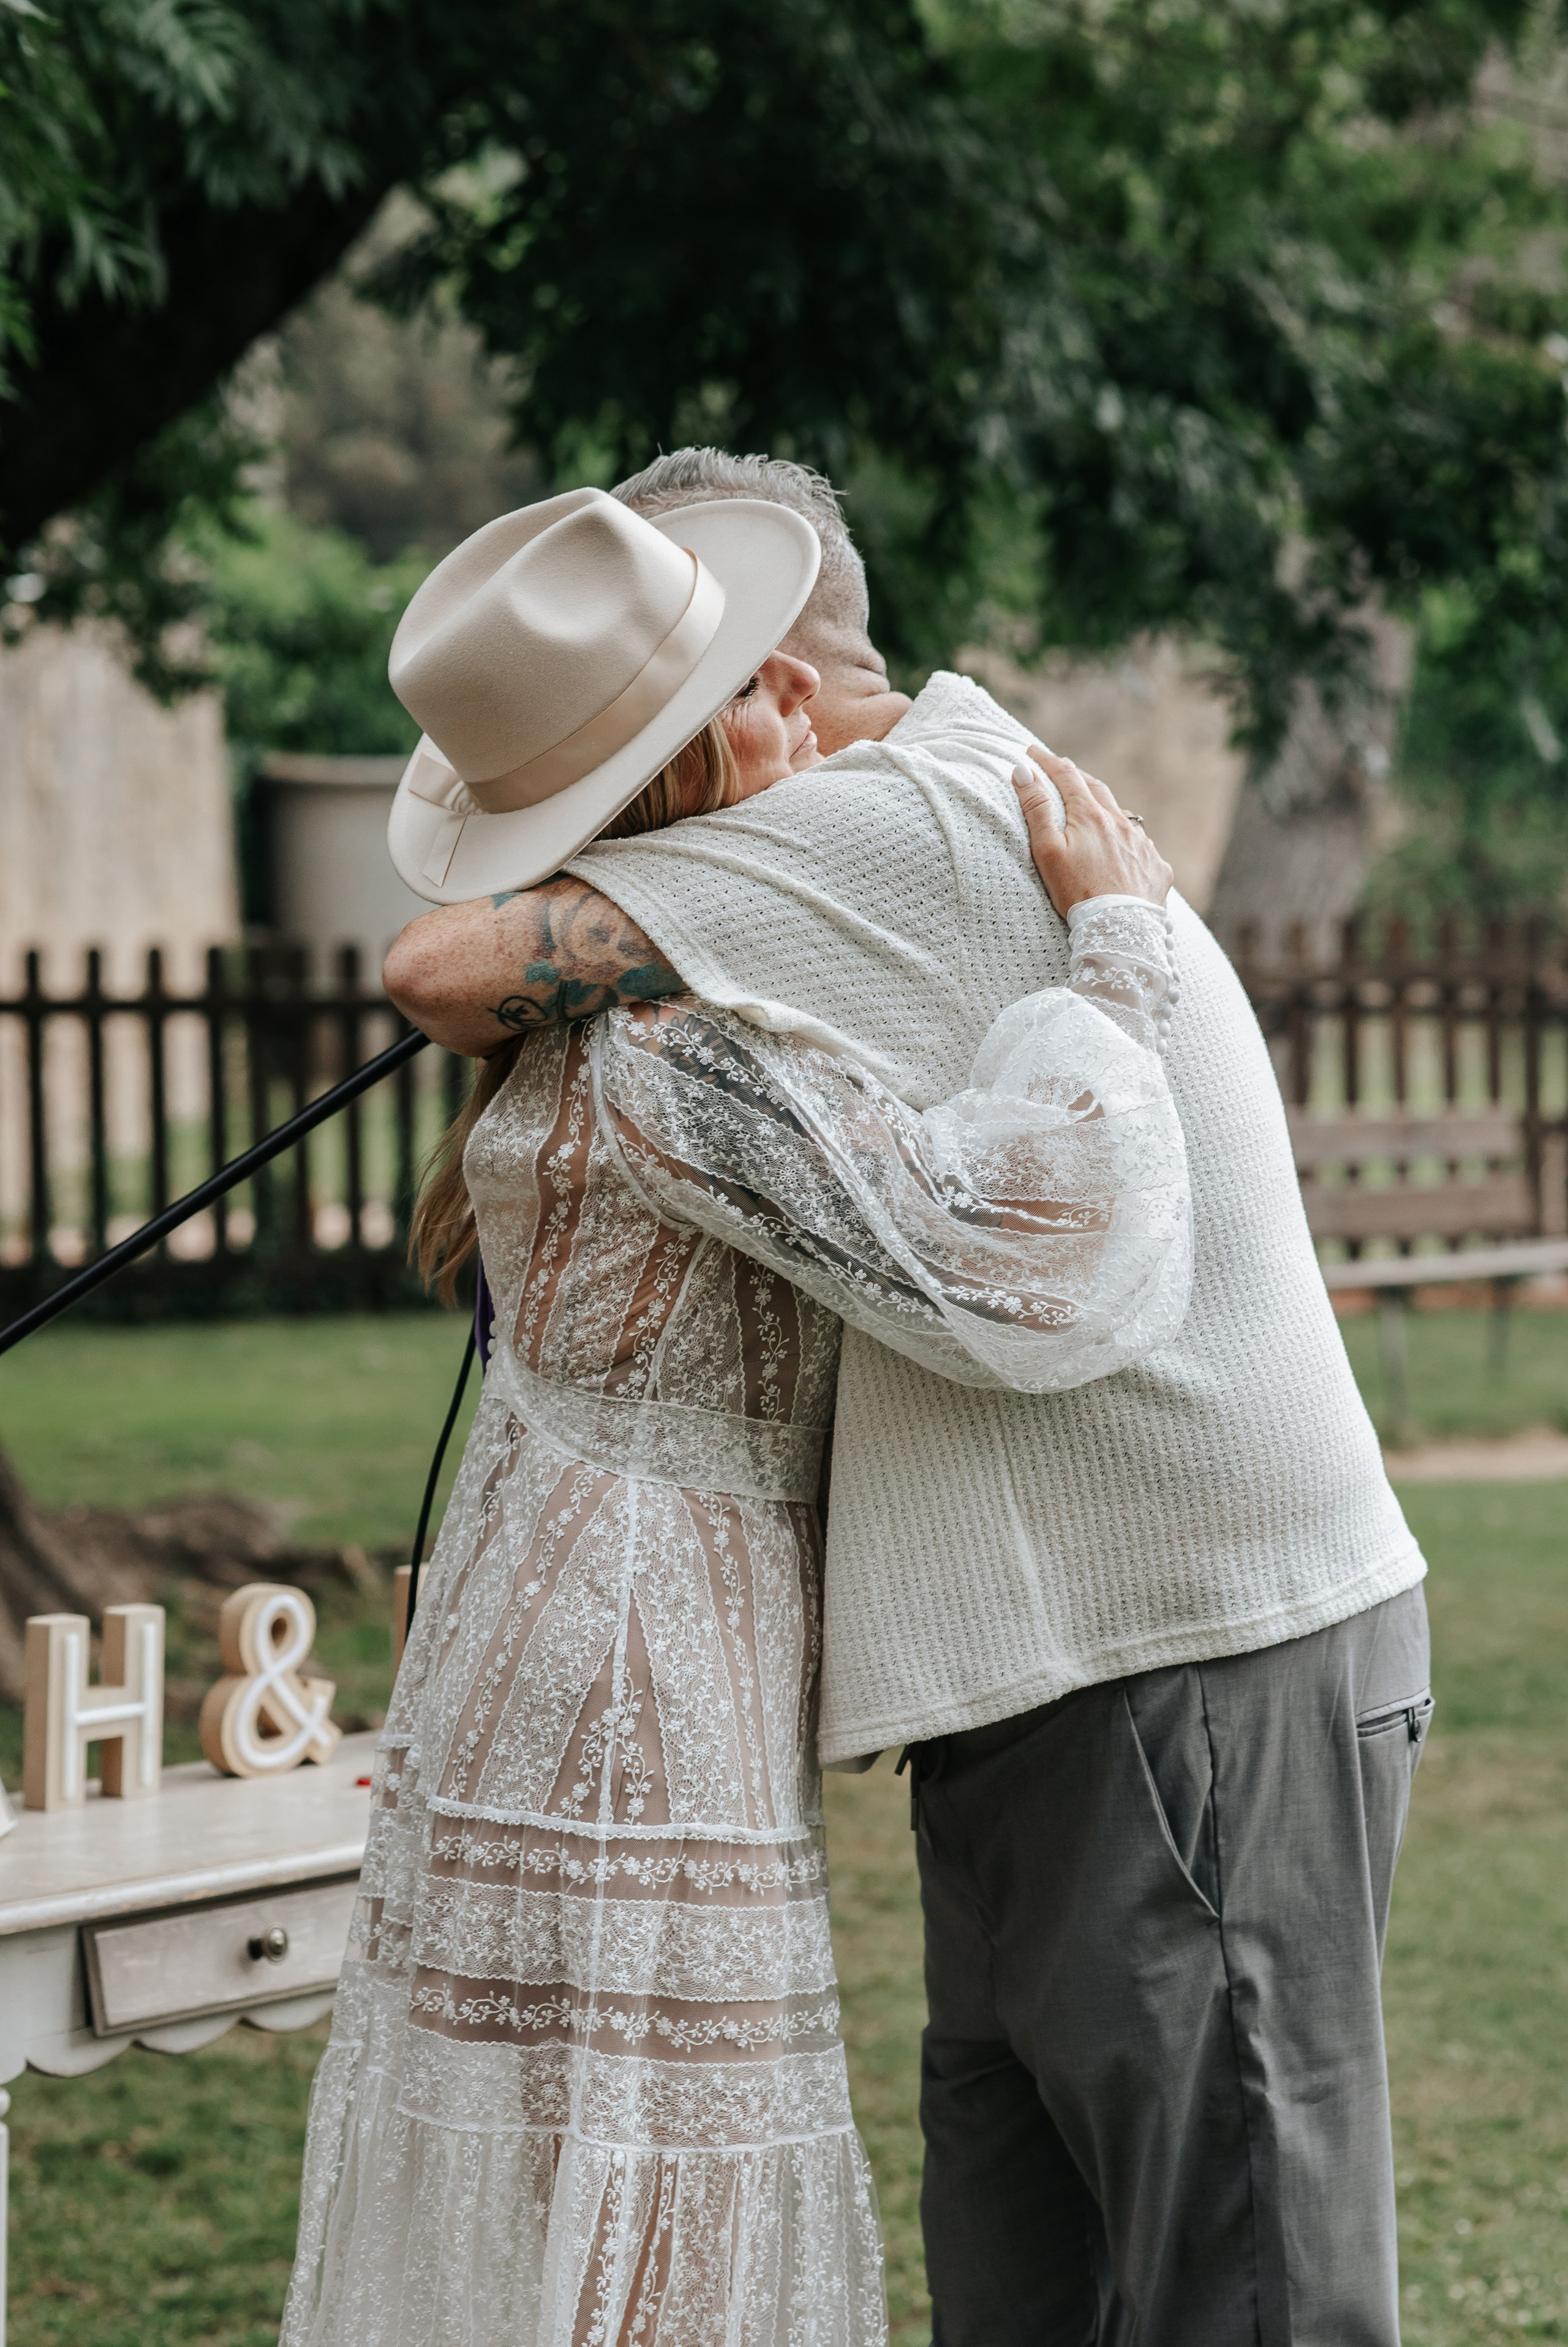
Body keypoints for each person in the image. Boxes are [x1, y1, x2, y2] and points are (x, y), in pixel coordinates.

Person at [386, 451, 1435, 2347]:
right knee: (1047, 2269)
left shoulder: (879, 820)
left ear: (777, 685)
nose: (583, 848)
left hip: (1175, 1651)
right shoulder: (930, 798)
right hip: (1081, 1664)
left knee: (1239, 2286)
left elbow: (440, 960)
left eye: (603, 784)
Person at [283, 485, 1188, 2347]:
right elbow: (1027, 1246)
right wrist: (1114, 959)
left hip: (533, 1618)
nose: (802, 705)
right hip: (643, 1659)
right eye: (756, 697)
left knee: (557, 2149)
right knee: (649, 2175)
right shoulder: (688, 1055)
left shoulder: (582, 1027)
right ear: (700, 761)